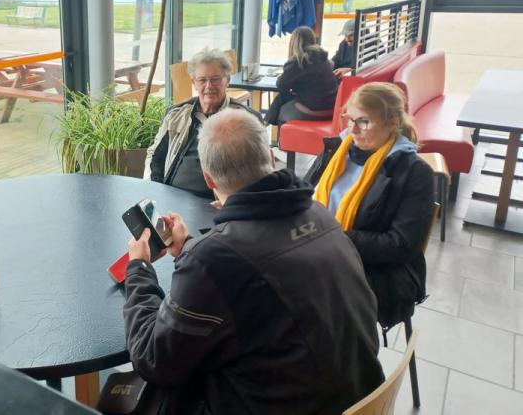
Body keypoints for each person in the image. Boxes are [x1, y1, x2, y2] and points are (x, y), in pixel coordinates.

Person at [125, 109, 384, 414]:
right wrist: (190, 248)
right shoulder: (320, 215)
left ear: (208, 178)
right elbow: (259, 264)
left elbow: (154, 359)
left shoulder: (214, 259)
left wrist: (139, 268)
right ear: (271, 158)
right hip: (360, 399)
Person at [307, 82, 434, 330]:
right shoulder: (339, 150)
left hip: (375, 270)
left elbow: (401, 245)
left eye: (363, 122)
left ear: (392, 121)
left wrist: (332, 238)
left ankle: (336, 351)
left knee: (297, 296)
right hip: (322, 250)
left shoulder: (414, 172)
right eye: (349, 119)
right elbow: (305, 193)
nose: (352, 129)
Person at [144, 47, 262, 199]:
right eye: (202, 80)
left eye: (215, 79)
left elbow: (258, 170)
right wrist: (156, 191)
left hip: (221, 202)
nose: (209, 86)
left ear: (227, 80)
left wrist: (232, 203)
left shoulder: (245, 119)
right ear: (194, 82)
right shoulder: (176, 115)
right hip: (174, 197)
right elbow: (156, 156)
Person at [264, 26, 338, 126]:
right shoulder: (323, 58)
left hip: (313, 110)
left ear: (294, 43)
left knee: (281, 111)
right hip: (331, 109)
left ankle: (268, 125)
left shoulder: (298, 61)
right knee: (282, 98)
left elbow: (281, 85)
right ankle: (265, 123)